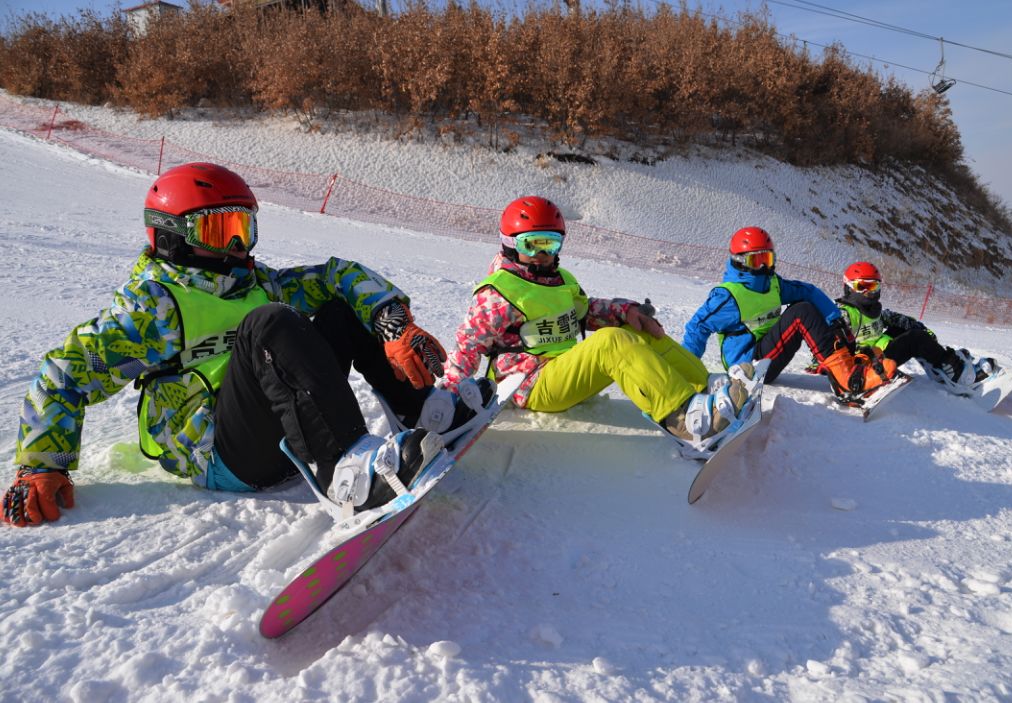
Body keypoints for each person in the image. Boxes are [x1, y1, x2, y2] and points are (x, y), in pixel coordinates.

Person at [2, 162, 483, 527]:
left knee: (338, 306)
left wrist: (391, 321)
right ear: (172, 237)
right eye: (219, 230)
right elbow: (63, 372)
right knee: (268, 323)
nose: (238, 247)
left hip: (281, 431)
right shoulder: (154, 308)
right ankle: (348, 473)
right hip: (226, 454)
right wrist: (41, 466)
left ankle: (424, 411)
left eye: (244, 228)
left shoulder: (257, 282)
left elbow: (339, 274)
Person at [438, 196, 753, 454]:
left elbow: (585, 311)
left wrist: (625, 310)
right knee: (611, 342)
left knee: (636, 329)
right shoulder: (498, 292)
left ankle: (709, 389)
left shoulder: (561, 281)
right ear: (510, 243)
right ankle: (690, 423)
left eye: (551, 244)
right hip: (529, 384)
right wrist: (446, 402)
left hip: (564, 369)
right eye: (532, 244)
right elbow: (467, 346)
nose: (542, 255)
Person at [681, 227, 899, 403]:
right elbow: (697, 327)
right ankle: (847, 384)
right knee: (800, 313)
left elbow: (808, 291)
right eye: (756, 261)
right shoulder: (729, 297)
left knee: (806, 305)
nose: (764, 266)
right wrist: (687, 375)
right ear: (740, 261)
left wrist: (835, 320)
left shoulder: (772, 285)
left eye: (767, 259)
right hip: (747, 367)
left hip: (768, 358)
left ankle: (851, 369)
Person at [835, 261, 996, 390]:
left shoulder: (874, 310)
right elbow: (829, 345)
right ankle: (962, 377)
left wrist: (923, 330)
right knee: (915, 339)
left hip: (879, 354)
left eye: (874, 287)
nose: (869, 293)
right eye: (862, 287)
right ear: (849, 288)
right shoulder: (844, 314)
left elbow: (896, 318)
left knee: (910, 329)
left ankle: (941, 364)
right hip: (864, 365)